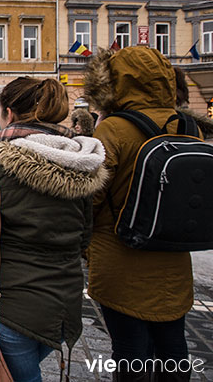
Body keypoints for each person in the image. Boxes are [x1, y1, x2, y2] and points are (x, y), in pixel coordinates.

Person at [0, 77, 107, 382]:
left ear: (9, 114)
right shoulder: (79, 162)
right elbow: (84, 236)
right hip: (63, 304)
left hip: (9, 306)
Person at [83, 47, 195, 379]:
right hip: (174, 258)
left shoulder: (114, 129)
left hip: (121, 258)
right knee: (174, 348)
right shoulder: (187, 125)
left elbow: (92, 198)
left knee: (131, 352)